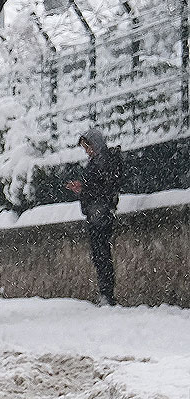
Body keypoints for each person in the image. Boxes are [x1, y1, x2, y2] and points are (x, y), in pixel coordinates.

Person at [66, 126, 123, 306]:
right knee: (99, 254)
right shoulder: (97, 161)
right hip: (96, 213)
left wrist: (84, 188)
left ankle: (107, 293)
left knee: (101, 254)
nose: (87, 151)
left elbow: (105, 188)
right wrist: (83, 189)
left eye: (87, 147)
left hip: (101, 214)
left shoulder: (104, 161)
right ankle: (105, 292)